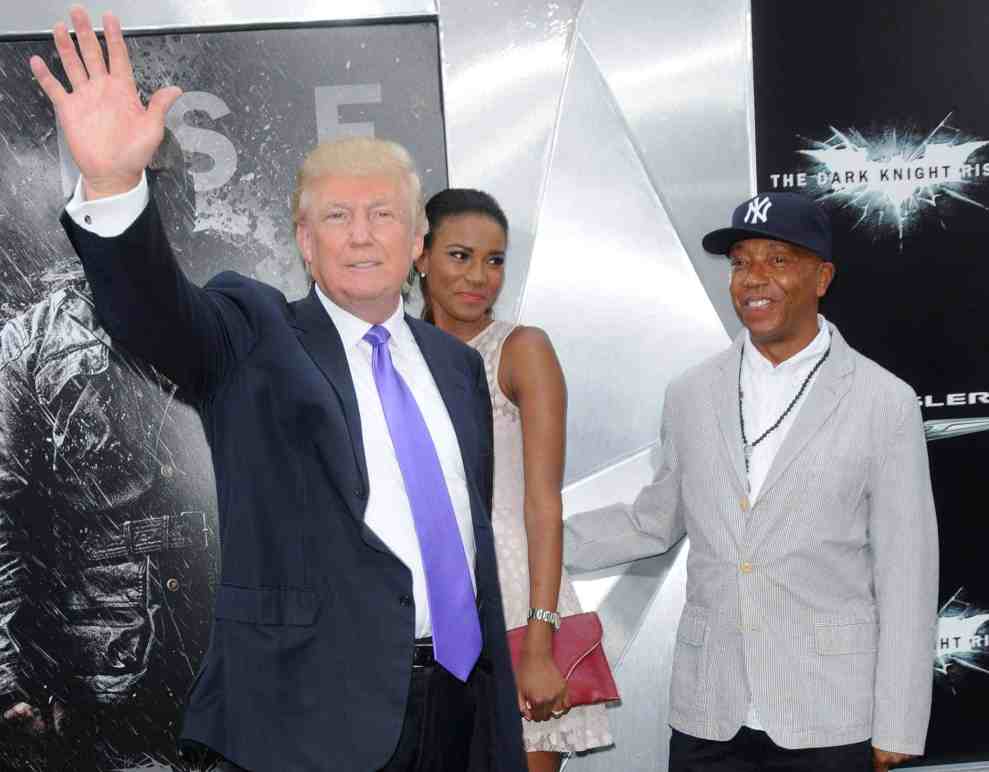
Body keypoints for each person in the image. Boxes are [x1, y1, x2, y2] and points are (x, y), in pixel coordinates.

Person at [30, 7, 526, 772]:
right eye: (336, 216)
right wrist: (113, 181)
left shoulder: (456, 366)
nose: (359, 234)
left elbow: (470, 546)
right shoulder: (255, 331)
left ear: (416, 243)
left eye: (382, 215)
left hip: (460, 715)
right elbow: (154, 316)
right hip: (310, 721)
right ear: (303, 241)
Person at [565, 192, 938, 772]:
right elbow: (653, 521)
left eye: (778, 260)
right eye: (741, 262)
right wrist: (525, 541)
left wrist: (899, 722)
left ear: (822, 278)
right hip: (710, 712)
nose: (753, 278)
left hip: (829, 715)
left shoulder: (883, 401)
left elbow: (907, 573)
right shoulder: (691, 394)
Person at [414, 189, 613, 772]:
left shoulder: (521, 349)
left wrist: (540, 642)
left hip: (513, 603)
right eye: (460, 255)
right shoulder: (391, 353)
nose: (479, 276)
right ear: (420, 256)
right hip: (419, 612)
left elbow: (542, 506)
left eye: (494, 260)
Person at [0, 268, 216, 772]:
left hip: (224, 663)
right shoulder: (28, 345)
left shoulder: (219, 320)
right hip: (103, 682)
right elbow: (3, 523)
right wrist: (8, 677)